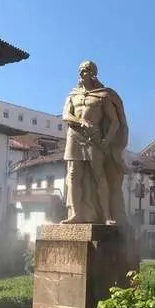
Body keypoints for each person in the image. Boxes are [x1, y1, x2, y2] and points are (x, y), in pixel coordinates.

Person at [61, 60, 129, 225]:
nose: (82, 72)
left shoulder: (103, 95)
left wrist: (107, 140)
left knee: (99, 175)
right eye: (80, 70)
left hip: (94, 139)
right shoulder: (72, 95)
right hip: (74, 137)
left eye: (86, 69)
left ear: (93, 73)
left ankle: (106, 216)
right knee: (73, 175)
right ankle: (76, 214)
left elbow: (115, 122)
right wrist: (80, 121)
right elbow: (65, 115)